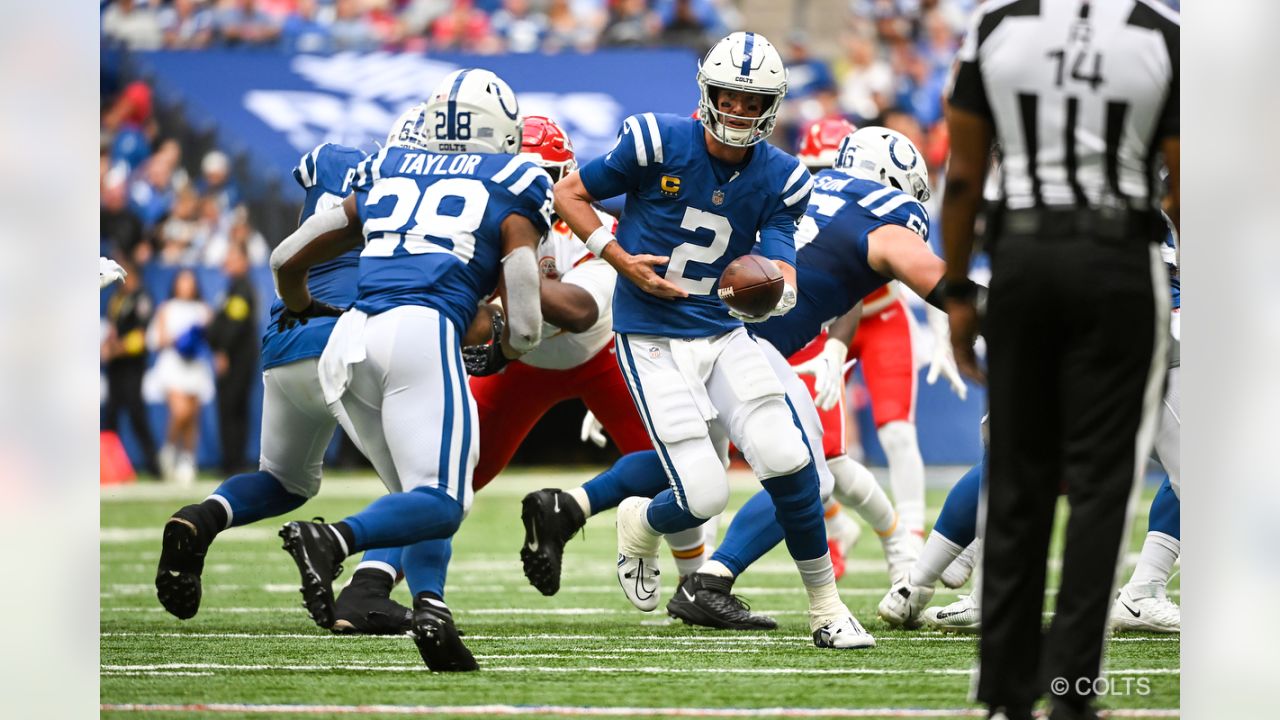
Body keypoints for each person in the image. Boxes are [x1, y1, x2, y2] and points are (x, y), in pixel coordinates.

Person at [553, 32, 872, 650]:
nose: (739, 111)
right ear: (708, 92)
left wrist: (776, 289)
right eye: (730, 96)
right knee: (703, 493)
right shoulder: (656, 140)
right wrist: (618, 258)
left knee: (787, 457)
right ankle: (641, 519)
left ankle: (827, 608)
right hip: (649, 334)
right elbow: (570, 192)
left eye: (754, 102)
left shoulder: (784, 178)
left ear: (773, 106)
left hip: (723, 331)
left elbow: (780, 267)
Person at [330, 116, 707, 631]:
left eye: (551, 175)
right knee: (445, 476)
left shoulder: (592, 231)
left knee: (678, 460)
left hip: (602, 354)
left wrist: (507, 266)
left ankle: (696, 582)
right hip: (519, 362)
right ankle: (369, 583)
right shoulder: (480, 218)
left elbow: (579, 311)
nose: (542, 190)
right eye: (527, 173)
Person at [941, 2, 1179, 718]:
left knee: (1019, 480)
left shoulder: (996, 26)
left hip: (1023, 258)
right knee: (1104, 486)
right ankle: (1073, 690)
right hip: (1119, 258)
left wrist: (957, 291)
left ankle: (1006, 694)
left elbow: (964, 174)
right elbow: (1183, 174)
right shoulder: (1162, 36)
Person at [271, 69, 551, 672]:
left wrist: (299, 303)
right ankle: (335, 540)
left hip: (351, 340)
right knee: (445, 498)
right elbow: (526, 318)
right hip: (419, 333)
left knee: (415, 490)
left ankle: (430, 607)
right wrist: (507, 343)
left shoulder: (388, 165)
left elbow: (285, 256)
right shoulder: (514, 178)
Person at [154, 133, 367, 624]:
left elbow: (285, 263)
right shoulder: (392, 185)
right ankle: (368, 585)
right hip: (347, 339)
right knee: (427, 486)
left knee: (284, 481)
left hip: (285, 337)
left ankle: (201, 518)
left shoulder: (319, 199)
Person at [147, 268, 214, 485]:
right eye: (182, 282)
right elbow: (155, 339)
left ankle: (188, 460)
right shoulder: (166, 309)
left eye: (190, 282)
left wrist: (198, 338)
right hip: (173, 366)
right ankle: (168, 451)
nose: (186, 286)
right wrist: (177, 339)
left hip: (195, 368)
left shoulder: (203, 310)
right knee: (180, 411)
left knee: (192, 416)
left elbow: (211, 337)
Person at [102, 258, 161, 477]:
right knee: (110, 416)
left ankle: (155, 467)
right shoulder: (118, 298)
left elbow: (141, 337)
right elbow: (113, 327)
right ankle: (107, 468)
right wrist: (108, 345)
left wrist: (115, 349)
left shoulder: (142, 297)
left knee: (137, 415)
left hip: (132, 367)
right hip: (116, 368)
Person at [206, 242, 259, 474]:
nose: (227, 261)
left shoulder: (240, 289)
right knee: (233, 410)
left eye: (232, 257)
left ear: (243, 262)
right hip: (238, 359)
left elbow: (234, 325)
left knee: (231, 409)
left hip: (237, 360)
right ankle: (232, 460)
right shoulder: (231, 289)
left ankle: (233, 462)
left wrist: (223, 350)